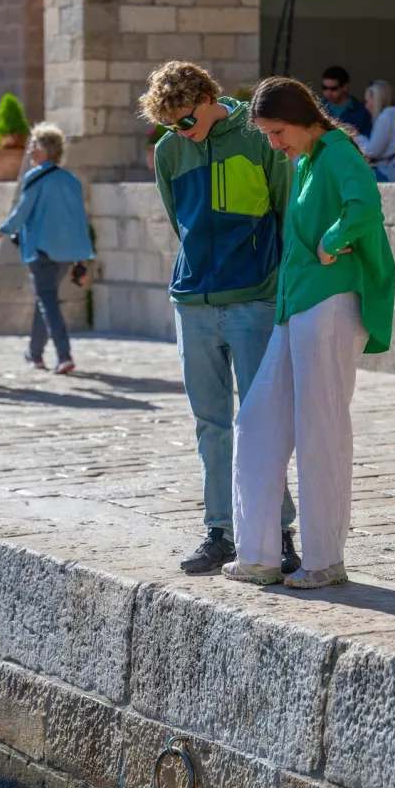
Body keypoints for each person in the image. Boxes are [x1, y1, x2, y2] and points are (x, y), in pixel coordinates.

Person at [223, 77, 395, 591]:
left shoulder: (338, 150)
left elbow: (365, 205)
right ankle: (258, 556)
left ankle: (324, 559)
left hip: (331, 302)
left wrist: (332, 241)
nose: (274, 144)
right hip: (297, 304)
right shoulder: (307, 159)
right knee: (256, 423)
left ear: (303, 118)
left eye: (277, 132)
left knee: (321, 428)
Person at [139, 60, 299, 575]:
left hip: (254, 297)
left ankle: (276, 532)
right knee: (210, 424)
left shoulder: (257, 138)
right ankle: (220, 532)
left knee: (261, 423)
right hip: (193, 304)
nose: (180, 131)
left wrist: (278, 285)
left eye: (185, 120)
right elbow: (176, 219)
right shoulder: (169, 151)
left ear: (208, 98)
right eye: (170, 125)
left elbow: (285, 211)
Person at [0, 123, 93, 375]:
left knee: (47, 301)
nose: (29, 151)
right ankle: (35, 353)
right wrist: (82, 259)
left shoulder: (35, 177)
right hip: (66, 252)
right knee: (45, 298)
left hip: (41, 249)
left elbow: (19, 215)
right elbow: (80, 220)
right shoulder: (71, 180)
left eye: (32, 146)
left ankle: (64, 354)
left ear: (43, 150)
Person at [357, 79, 395, 183]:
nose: (366, 106)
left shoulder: (386, 116)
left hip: (387, 172)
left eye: (367, 101)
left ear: (377, 100)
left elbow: (372, 151)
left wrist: (355, 136)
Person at [319, 66, 372, 139]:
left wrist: (356, 135)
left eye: (333, 89)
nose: (328, 93)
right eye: (324, 88)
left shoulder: (362, 111)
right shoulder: (318, 108)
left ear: (345, 87)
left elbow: (368, 142)